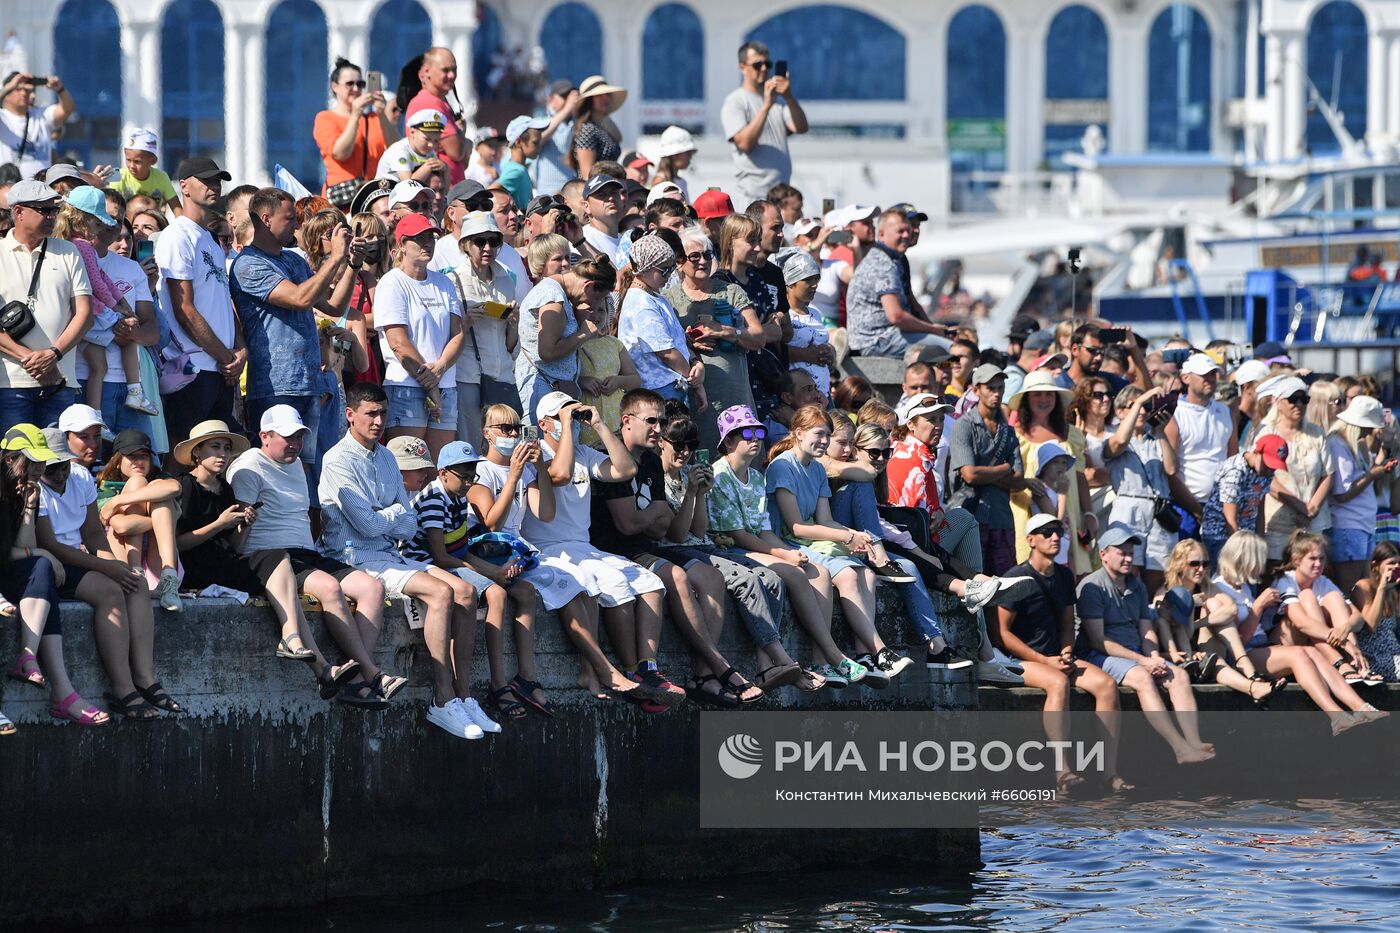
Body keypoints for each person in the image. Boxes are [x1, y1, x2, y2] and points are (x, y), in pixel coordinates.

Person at [319, 382, 495, 738]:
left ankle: (462, 696)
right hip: (355, 558)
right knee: (442, 593)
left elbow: (409, 526)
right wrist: (393, 513)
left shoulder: (386, 456)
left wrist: (387, 515)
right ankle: (442, 700)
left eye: (383, 413)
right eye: (371, 413)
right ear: (350, 415)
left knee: (464, 592)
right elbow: (368, 525)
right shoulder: (336, 460)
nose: (379, 420)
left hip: (389, 555)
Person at [595, 392, 770, 706]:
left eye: (661, 421)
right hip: (608, 550)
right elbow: (626, 525)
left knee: (711, 577)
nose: (658, 428)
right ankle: (716, 666)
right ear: (626, 421)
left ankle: (701, 672)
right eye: (651, 421)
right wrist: (651, 516)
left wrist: (688, 497)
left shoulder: (649, 459)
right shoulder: (611, 456)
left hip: (643, 547)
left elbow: (664, 527)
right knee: (676, 575)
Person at [227, 403, 395, 709]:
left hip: (307, 552)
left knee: (372, 588)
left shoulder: (295, 463)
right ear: (264, 436)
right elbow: (238, 535)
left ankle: (353, 676)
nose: (295, 443)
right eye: (287, 437)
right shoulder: (247, 467)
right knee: (330, 588)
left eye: (299, 436)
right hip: (273, 555)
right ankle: (369, 674)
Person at [404, 438, 580, 717]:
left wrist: (496, 570)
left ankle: (499, 683)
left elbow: (459, 549)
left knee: (516, 590)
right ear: (443, 473)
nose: (468, 483)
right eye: (463, 476)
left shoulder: (458, 497)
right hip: (422, 563)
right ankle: (481, 687)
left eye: (472, 476)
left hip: (450, 560)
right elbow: (441, 557)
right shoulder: (435, 499)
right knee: (494, 592)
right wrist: (491, 574)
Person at [524, 392, 679, 706]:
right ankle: (631, 670)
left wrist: (598, 425)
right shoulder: (534, 453)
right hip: (548, 548)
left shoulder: (583, 452)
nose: (570, 422)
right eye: (560, 417)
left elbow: (625, 470)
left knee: (651, 584)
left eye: (572, 416)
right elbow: (561, 474)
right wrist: (567, 426)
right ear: (543, 424)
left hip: (583, 547)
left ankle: (648, 669)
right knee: (615, 583)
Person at [171, 419, 350, 690]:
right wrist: (219, 523)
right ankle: (310, 657)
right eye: (215, 447)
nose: (222, 454)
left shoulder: (225, 489)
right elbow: (178, 544)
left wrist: (243, 525)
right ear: (197, 453)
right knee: (279, 568)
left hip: (225, 563)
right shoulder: (185, 486)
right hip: (198, 567)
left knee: (282, 577)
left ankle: (315, 661)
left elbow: (237, 546)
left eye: (226, 449)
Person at [32, 421, 176, 721]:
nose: (59, 472)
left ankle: (145, 677)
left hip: (81, 559)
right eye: (50, 466)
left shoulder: (81, 476)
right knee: (111, 589)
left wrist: (114, 564)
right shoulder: (34, 488)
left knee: (133, 581)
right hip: (51, 563)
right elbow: (51, 544)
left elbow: (93, 534)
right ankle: (123, 689)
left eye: (63, 465)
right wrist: (106, 567)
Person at [767, 405, 914, 686]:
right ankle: (878, 650)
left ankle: (865, 657)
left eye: (827, 435)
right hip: (786, 540)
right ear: (798, 433)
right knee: (847, 574)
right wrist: (847, 538)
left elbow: (825, 519)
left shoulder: (817, 467)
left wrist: (858, 535)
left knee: (867, 574)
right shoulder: (782, 466)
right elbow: (795, 526)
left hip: (809, 536)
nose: (824, 441)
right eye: (819, 434)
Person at [994, 514, 1130, 794]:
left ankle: (1109, 772)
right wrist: (1044, 660)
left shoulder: (1065, 576)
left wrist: (1067, 650)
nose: (1055, 537)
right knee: (1057, 683)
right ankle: (1063, 770)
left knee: (1106, 685)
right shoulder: (1015, 578)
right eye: (1046, 532)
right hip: (1019, 659)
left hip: (1056, 656)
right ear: (1031, 540)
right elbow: (1002, 635)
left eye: (1058, 531)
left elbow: (1068, 625)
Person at [232, 189, 361, 451]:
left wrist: (352, 265)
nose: (296, 225)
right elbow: (301, 298)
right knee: (275, 468)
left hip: (309, 383)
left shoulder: (293, 259)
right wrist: (335, 257)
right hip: (274, 386)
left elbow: (334, 306)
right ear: (266, 219)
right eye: (289, 218)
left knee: (305, 472)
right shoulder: (248, 264)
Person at [1075, 526, 1216, 764]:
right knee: (1142, 677)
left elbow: (1146, 629)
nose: (1128, 557)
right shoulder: (1093, 586)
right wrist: (1144, 661)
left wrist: (1154, 657)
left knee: (1179, 675)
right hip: (1098, 655)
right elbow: (1099, 641)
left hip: (1136, 654)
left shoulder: (1137, 585)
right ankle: (1179, 748)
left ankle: (1193, 741)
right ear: (1104, 555)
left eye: (1131, 552)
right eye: (1121, 552)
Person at [0, 426, 109, 728]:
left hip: (9, 573)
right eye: (33, 463)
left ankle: (33, 662)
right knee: (43, 565)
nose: (39, 470)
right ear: (10, 461)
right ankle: (60, 691)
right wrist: (45, 554)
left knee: (43, 574)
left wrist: (29, 507)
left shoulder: (24, 489)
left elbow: (25, 548)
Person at [158, 158, 246, 446]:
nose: (214, 186)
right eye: (205, 180)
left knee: (218, 460)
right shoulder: (177, 235)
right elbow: (184, 309)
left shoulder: (210, 238)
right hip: (192, 368)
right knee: (181, 453)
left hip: (219, 368)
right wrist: (226, 357)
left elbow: (223, 301)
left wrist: (240, 350)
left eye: (217, 180)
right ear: (183, 186)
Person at [53, 186, 157, 420]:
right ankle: (134, 391)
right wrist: (119, 308)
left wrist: (121, 306)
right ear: (82, 220)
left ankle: (106, 409)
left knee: (106, 358)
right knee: (125, 334)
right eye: (101, 220)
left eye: (117, 219)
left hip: (92, 324)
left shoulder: (67, 246)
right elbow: (98, 284)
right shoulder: (82, 247)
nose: (108, 225)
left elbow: (101, 281)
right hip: (91, 329)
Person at [0, 180, 91, 428]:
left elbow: (84, 313)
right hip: (9, 384)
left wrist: (54, 354)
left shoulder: (69, 251)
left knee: (56, 462)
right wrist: (35, 361)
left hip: (59, 382)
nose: (53, 216)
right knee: (14, 462)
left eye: (55, 210)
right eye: (45, 210)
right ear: (18, 211)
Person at [373, 212, 462, 458]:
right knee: (409, 470)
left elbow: (458, 334)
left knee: (439, 470)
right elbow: (398, 344)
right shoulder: (392, 283)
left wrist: (441, 367)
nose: (427, 243)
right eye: (419, 238)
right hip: (407, 387)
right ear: (401, 244)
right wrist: (431, 384)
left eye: (431, 238)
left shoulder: (444, 282)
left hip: (445, 385)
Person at [664, 225, 759, 451]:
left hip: (733, 395)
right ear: (679, 262)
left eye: (707, 255)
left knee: (741, 457)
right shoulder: (668, 300)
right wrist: (687, 343)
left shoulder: (731, 292)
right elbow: (661, 346)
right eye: (694, 256)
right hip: (693, 398)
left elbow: (758, 337)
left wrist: (723, 331)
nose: (703, 262)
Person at [1158, 538, 1286, 704]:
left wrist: (1199, 623)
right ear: (1179, 564)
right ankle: (1253, 684)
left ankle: (1246, 668)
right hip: (1178, 653)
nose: (1201, 569)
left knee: (1214, 604)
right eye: (1194, 564)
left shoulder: (1208, 588)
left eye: (1205, 563)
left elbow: (1231, 610)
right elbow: (1170, 632)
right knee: (1215, 659)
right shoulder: (1166, 594)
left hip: (1202, 649)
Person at [439, 211, 517, 449]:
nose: (487, 247)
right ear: (465, 245)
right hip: (467, 375)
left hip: (502, 373)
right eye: (479, 241)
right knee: (472, 443)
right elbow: (445, 336)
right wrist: (466, 321)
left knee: (506, 445)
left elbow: (510, 343)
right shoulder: (452, 280)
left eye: (493, 241)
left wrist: (514, 321)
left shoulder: (508, 279)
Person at [1007, 370, 1097, 573]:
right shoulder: (1013, 435)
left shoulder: (1071, 434)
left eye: (1049, 394)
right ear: (1026, 399)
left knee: (1070, 575)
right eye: (1037, 394)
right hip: (1025, 514)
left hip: (1070, 515)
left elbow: (1080, 477)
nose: (1044, 399)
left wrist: (1089, 513)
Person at [947, 365, 1030, 575]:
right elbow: (969, 475)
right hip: (969, 514)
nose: (996, 392)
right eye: (990, 388)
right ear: (976, 390)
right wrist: (1004, 468)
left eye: (1000, 387)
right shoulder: (963, 425)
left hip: (1001, 517)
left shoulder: (1007, 431)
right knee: (971, 582)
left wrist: (983, 475)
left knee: (1003, 584)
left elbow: (1019, 481)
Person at [515, 253, 613, 423]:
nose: (592, 304)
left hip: (555, 389)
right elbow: (547, 352)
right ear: (588, 286)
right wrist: (583, 334)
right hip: (542, 389)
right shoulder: (553, 298)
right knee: (542, 447)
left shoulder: (559, 293)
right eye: (596, 298)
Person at [1099, 385, 1179, 592]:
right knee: (1128, 567)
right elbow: (1120, 442)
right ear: (1120, 411)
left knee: (1159, 570)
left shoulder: (1155, 439)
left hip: (1158, 508)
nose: (1142, 411)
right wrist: (1141, 399)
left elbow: (1171, 469)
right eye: (1136, 406)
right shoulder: (1113, 439)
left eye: (1146, 407)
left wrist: (1160, 433)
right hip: (1129, 505)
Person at [94, 429, 183, 612]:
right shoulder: (105, 489)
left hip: (158, 565)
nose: (138, 461)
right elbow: (123, 525)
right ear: (118, 461)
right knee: (138, 482)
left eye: (143, 456)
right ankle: (137, 571)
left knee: (160, 494)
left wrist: (119, 501)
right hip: (123, 565)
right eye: (131, 456)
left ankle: (169, 578)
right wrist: (162, 521)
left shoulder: (159, 481)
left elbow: (175, 487)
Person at [845, 209, 947, 359]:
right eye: (900, 231)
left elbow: (911, 303)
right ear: (881, 234)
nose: (907, 235)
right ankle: (946, 375)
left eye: (908, 231)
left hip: (884, 336)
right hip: (876, 341)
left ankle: (943, 374)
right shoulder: (882, 263)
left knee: (953, 352)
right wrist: (932, 330)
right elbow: (896, 316)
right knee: (951, 352)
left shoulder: (892, 259)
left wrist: (934, 329)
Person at [1259, 376, 1333, 569]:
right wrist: (1299, 506)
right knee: (1277, 575)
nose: (1299, 404)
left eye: (1304, 399)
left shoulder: (1316, 433)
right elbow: (1266, 478)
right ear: (1278, 401)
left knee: (1314, 574)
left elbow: (1328, 473)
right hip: (1278, 521)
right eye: (1293, 399)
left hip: (1313, 521)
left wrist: (1313, 507)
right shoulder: (1266, 433)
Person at [721, 41, 808, 203]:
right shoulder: (735, 101)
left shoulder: (778, 101)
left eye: (767, 64)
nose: (763, 69)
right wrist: (766, 106)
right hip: (753, 195)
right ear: (743, 68)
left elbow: (801, 127)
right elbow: (744, 143)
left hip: (781, 195)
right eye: (757, 64)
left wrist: (789, 97)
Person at [1161, 353, 1236, 538]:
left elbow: (1232, 462)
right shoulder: (1175, 412)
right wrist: (1196, 509)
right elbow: (1169, 470)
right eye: (1204, 375)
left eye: (1213, 374)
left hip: (1220, 505)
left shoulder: (1225, 411)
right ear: (1185, 378)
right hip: (1184, 507)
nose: (1210, 379)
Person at [1326, 395, 1391, 594]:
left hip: (1362, 525)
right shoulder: (1338, 443)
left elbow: (1370, 471)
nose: (1369, 431)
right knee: (1350, 590)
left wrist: (1385, 448)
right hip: (1348, 526)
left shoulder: (1356, 443)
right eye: (1367, 427)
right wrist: (1372, 475)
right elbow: (1342, 492)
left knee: (1365, 588)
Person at [314, 58, 396, 205]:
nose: (356, 89)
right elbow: (340, 153)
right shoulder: (325, 118)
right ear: (335, 86)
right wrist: (355, 115)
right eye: (349, 84)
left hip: (372, 198)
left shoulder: (374, 119)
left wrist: (382, 113)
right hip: (341, 200)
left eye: (360, 84)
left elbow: (396, 150)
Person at [1200, 433, 1285, 563]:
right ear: (1257, 452)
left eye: (1274, 467)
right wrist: (1238, 554)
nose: (1270, 470)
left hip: (1246, 538)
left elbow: (1259, 510)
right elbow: (1230, 520)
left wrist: (1260, 546)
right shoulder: (1235, 472)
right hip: (1221, 537)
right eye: (1268, 464)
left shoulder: (1266, 473)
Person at [780, 250, 834, 400]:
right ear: (791, 283)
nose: (814, 285)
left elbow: (821, 344)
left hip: (824, 395)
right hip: (801, 399)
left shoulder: (815, 312)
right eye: (808, 280)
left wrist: (830, 353)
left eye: (816, 279)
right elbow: (777, 351)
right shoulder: (783, 315)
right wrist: (808, 355)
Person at [0, 71, 75, 178]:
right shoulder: (3, 117)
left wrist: (60, 89)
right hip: (11, 188)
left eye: (27, 90)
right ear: (6, 95)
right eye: (18, 89)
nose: (24, 93)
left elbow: (68, 109)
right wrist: (9, 86)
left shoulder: (41, 114)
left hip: (43, 190)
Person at [408, 48, 467, 184]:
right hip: (437, 192)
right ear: (426, 71)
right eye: (445, 70)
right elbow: (456, 152)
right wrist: (462, 136)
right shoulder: (429, 102)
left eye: (454, 70)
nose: (452, 75)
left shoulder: (439, 101)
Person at [1349, 541, 1400, 682]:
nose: (1396, 568)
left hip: (1394, 654)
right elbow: (1370, 625)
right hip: (1373, 656)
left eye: (1399, 564)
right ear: (1375, 566)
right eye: (1391, 564)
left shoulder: (1395, 591)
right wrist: (1382, 588)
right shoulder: (1364, 586)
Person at [568, 75, 627, 180]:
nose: (605, 98)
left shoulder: (604, 127)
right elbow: (587, 174)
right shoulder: (587, 129)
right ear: (589, 100)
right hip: (597, 190)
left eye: (607, 94)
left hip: (609, 186)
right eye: (599, 95)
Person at [531, 79, 578, 197]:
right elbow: (538, 138)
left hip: (571, 191)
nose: (569, 100)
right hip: (548, 193)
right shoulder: (541, 120)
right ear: (550, 100)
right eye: (564, 96)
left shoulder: (576, 122)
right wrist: (567, 108)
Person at [110, 128, 178, 206]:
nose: (132, 166)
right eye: (128, 160)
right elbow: (111, 207)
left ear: (153, 161)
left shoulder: (162, 177)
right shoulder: (116, 175)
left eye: (137, 162)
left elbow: (177, 209)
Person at [498, 115, 548, 209]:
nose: (539, 147)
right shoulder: (516, 171)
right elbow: (491, 192)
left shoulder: (520, 168)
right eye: (535, 143)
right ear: (518, 142)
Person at [579, 174, 628, 266]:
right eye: (601, 195)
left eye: (614, 193)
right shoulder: (582, 239)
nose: (611, 198)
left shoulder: (624, 240)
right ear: (587, 206)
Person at [650, 126, 697, 201]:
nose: (690, 157)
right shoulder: (659, 181)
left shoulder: (681, 181)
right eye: (687, 153)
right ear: (675, 155)